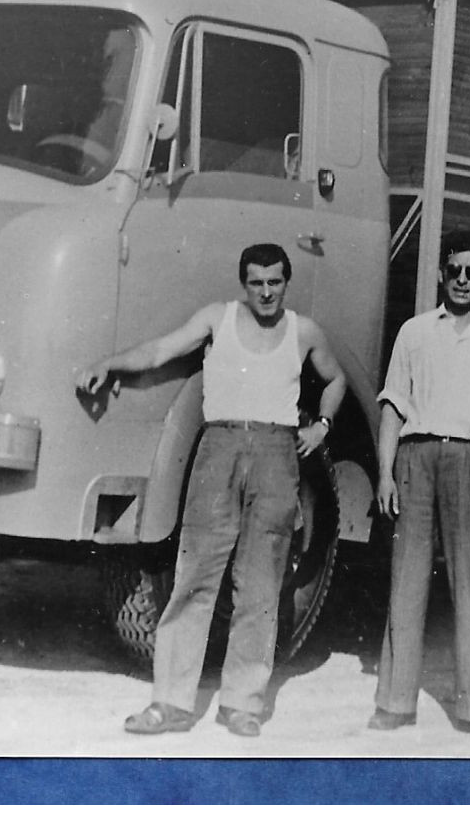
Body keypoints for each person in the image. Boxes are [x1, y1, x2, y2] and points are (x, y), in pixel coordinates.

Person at [76, 242, 346, 738]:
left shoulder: (304, 332)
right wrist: (110, 363)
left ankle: (243, 703)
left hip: (276, 455)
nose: (266, 292)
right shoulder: (217, 319)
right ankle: (170, 703)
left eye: (275, 282)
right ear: (243, 284)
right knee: (195, 579)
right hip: (218, 450)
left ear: (286, 282)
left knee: (261, 586)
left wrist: (322, 426)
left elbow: (336, 379)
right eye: (256, 283)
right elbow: (160, 350)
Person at [368, 227, 470, 742]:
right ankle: (394, 702)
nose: (462, 280)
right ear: (441, 273)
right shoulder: (414, 332)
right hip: (416, 459)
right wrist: (386, 472)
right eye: (454, 270)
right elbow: (393, 406)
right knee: (407, 583)